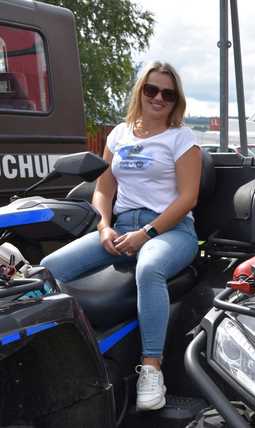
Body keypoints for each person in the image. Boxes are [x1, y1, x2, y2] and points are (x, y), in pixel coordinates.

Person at [41, 61, 201, 411]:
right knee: (47, 268)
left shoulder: (182, 138)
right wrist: (103, 226)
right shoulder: (119, 134)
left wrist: (147, 234)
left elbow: (188, 197)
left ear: (176, 101)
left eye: (168, 94)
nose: (158, 98)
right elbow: (102, 191)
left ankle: (152, 370)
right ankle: (61, 353)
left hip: (171, 230)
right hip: (121, 227)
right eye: (151, 90)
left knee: (149, 269)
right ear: (140, 91)